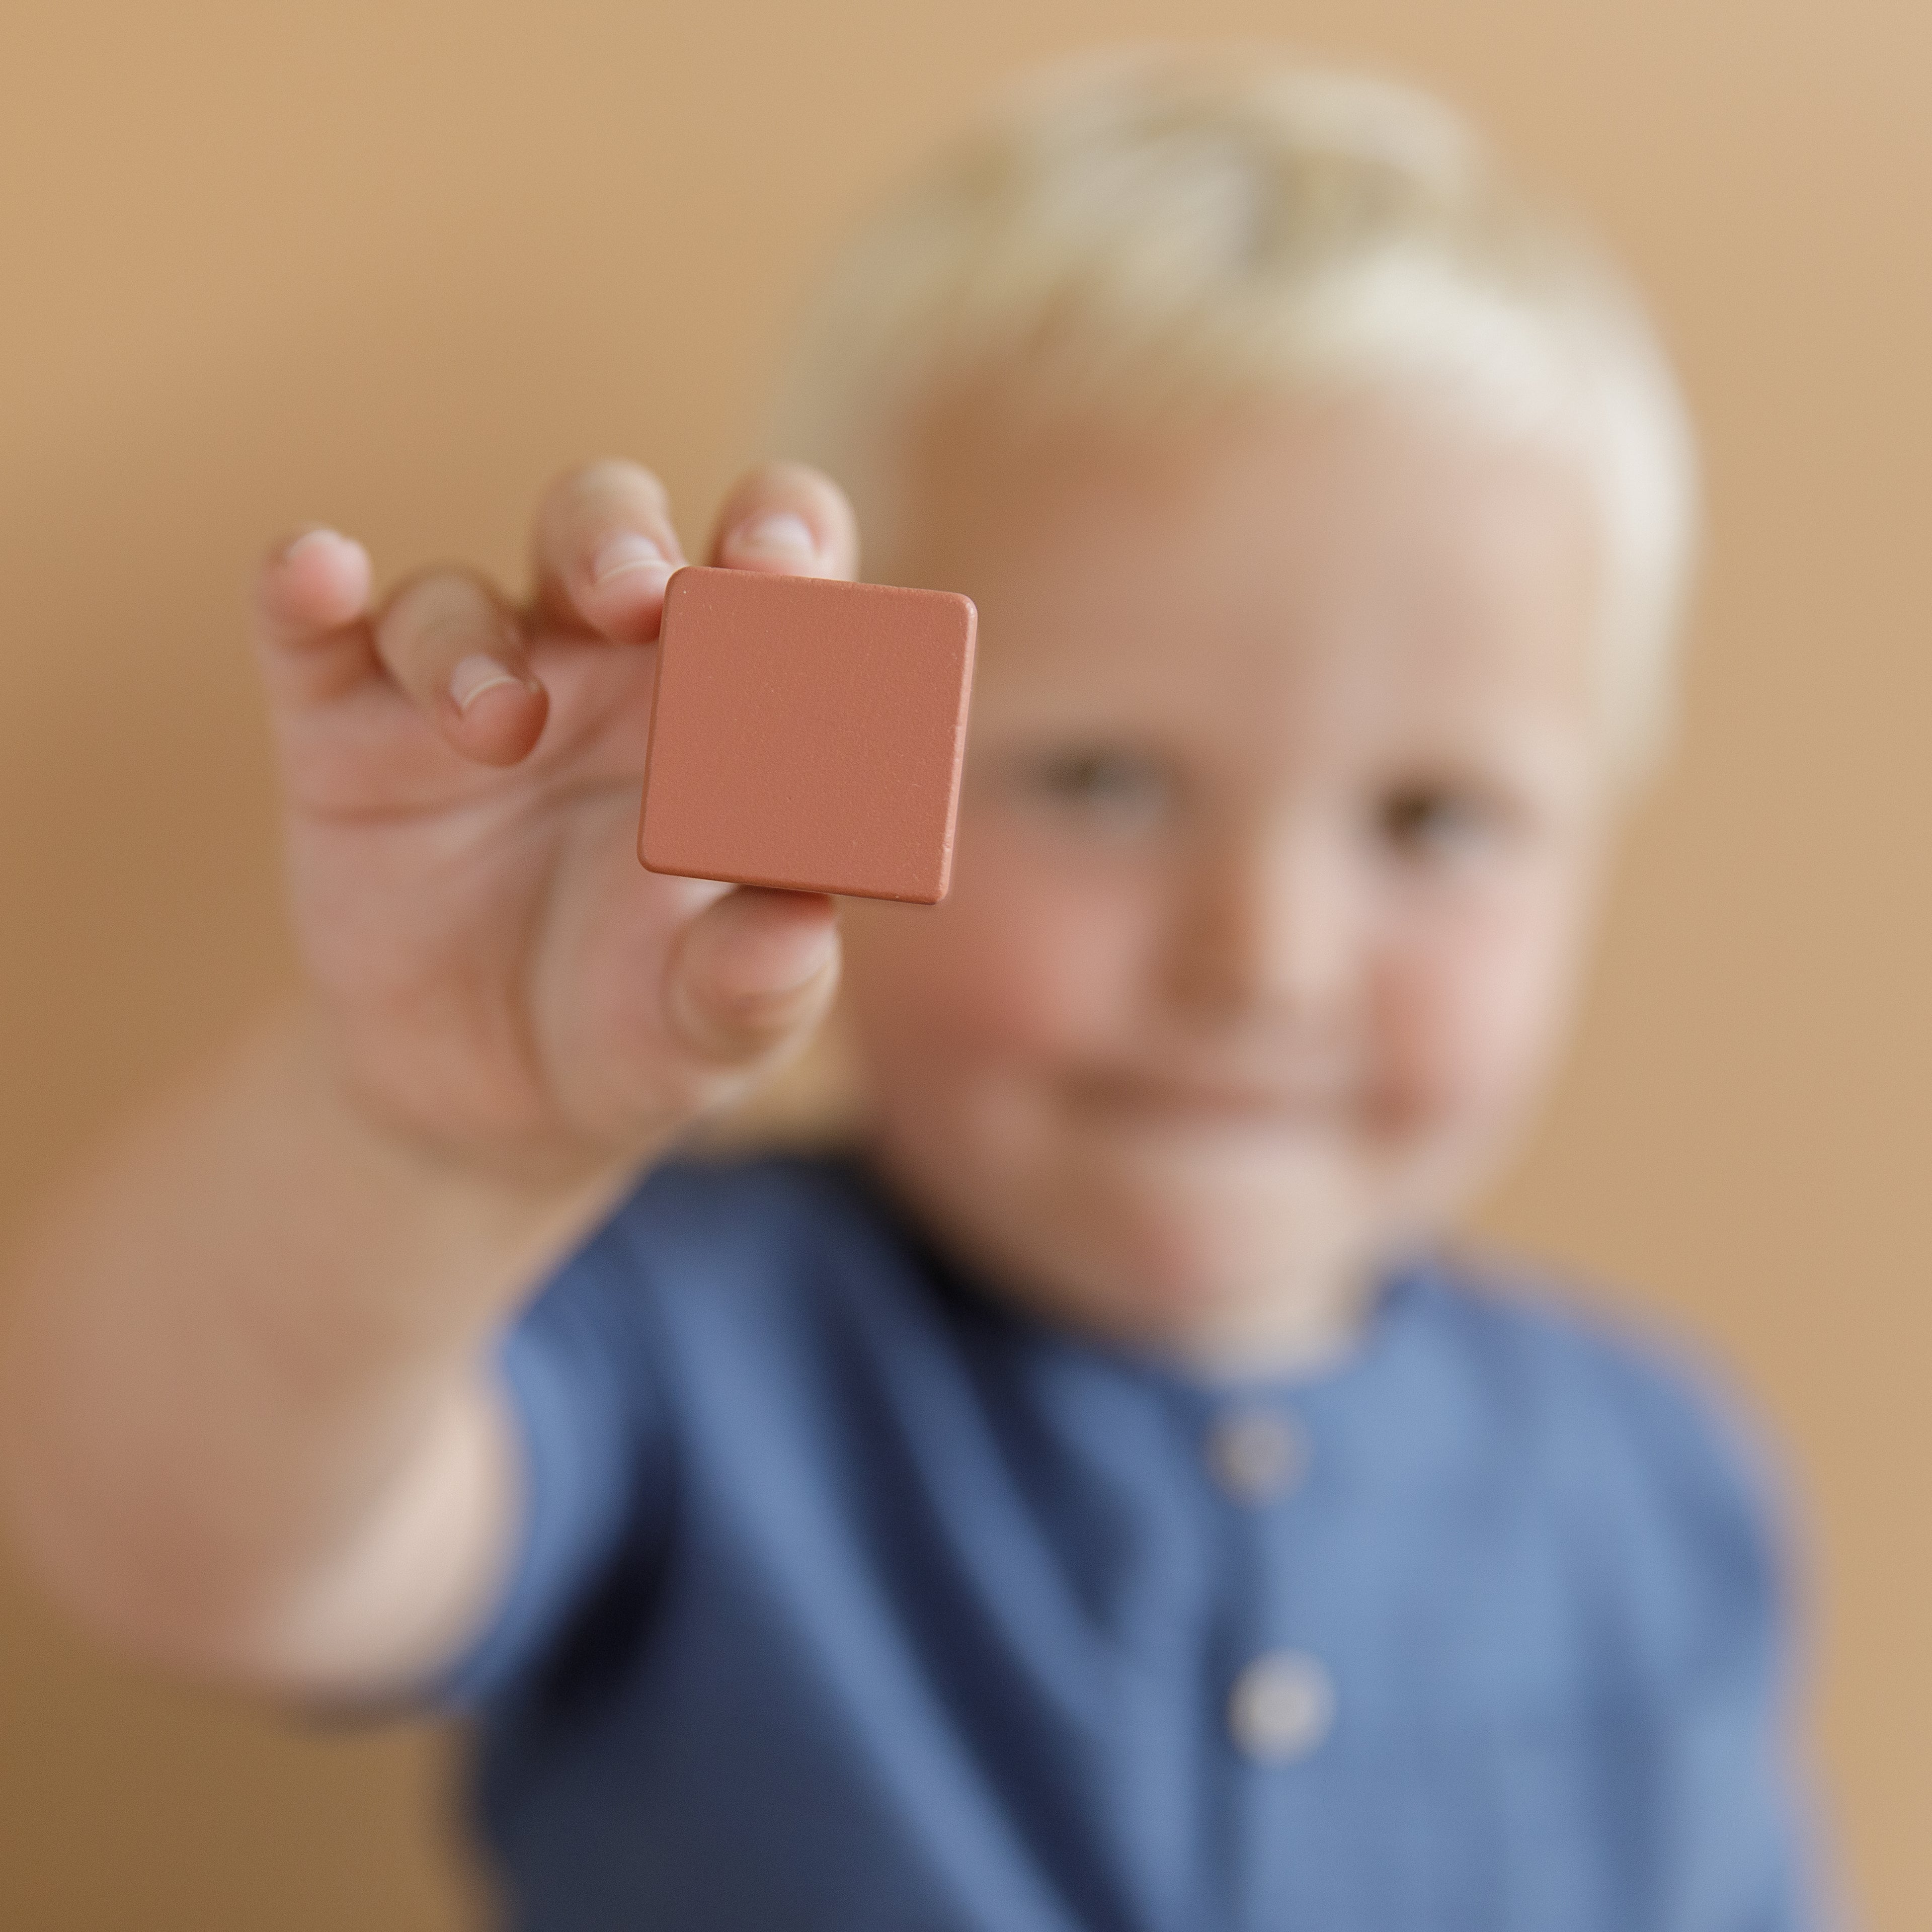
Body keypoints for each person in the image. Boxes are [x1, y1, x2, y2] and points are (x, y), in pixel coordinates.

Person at [1, 51, 1817, 1930]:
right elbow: (183, 1548)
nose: (1263, 959)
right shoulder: (669, 1339)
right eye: (1101, 779)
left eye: (1435, 816)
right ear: (830, 759)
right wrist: (419, 1135)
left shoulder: (1661, 1492)